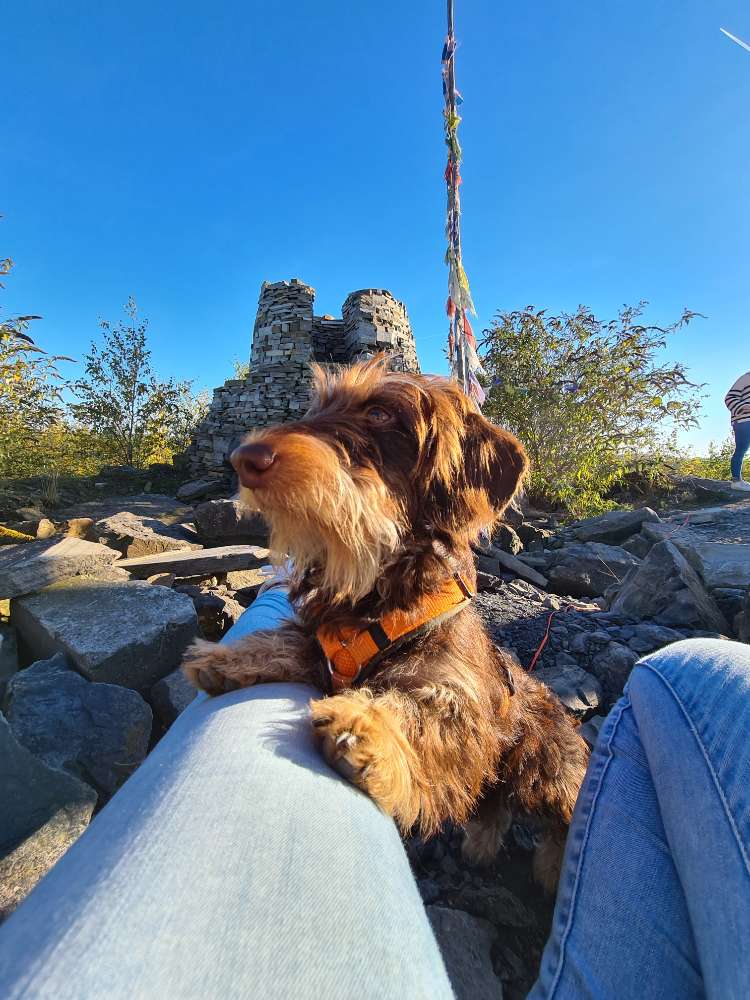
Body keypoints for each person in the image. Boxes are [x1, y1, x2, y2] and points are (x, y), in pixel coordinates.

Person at [0, 590, 749, 999]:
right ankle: (287, 612)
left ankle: (279, 605)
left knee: (558, 805)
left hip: (535, 736)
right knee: (498, 808)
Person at [725, 370, 750, 491]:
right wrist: (744, 407)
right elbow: (729, 398)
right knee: (741, 449)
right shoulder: (746, 378)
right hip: (743, 421)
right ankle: (736, 481)